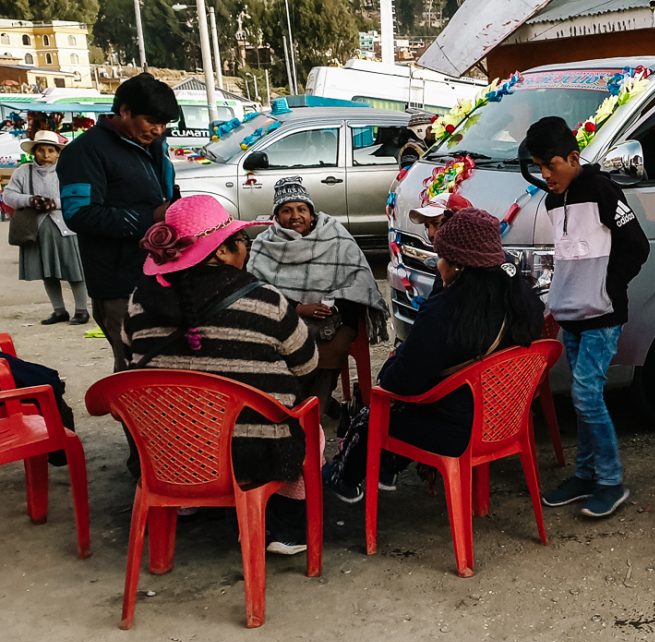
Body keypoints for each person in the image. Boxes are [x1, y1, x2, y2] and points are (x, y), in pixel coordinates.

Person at [124, 195, 319, 555]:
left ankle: (185, 500)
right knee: (311, 429)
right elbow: (307, 365)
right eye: (241, 243)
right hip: (257, 455)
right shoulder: (267, 301)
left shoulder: (138, 301)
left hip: (168, 454)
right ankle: (287, 528)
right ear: (221, 253)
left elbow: (129, 354)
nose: (245, 250)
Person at [323, 208, 545, 502]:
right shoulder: (521, 297)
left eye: (440, 257)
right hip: (505, 419)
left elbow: (395, 384)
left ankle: (345, 481)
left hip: (458, 432)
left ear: (458, 266)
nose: (437, 265)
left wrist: (396, 360)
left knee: (371, 415)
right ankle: (385, 469)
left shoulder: (447, 314)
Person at [524, 116, 649, 519]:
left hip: (603, 314)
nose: (546, 174)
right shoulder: (552, 200)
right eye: (539, 167)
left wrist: (607, 288)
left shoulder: (601, 189)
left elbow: (637, 246)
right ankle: (585, 475)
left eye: (551, 165)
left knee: (586, 395)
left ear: (573, 157)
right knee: (582, 401)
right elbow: (566, 257)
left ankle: (611, 482)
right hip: (571, 315)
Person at [57, 73, 180, 372]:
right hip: (119, 283)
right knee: (134, 365)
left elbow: (165, 195)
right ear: (124, 111)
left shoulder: (155, 146)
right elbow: (79, 215)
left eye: (164, 124)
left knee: (168, 361)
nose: (158, 129)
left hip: (160, 274)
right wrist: (150, 217)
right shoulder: (85, 152)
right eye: (152, 120)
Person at [246, 177, 388, 417]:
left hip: (338, 318)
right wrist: (299, 308)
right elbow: (257, 291)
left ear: (312, 214)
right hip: (285, 319)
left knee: (328, 352)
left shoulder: (335, 235)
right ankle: (308, 407)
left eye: (302, 209)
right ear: (276, 217)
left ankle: (312, 415)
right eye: (286, 210)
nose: (295, 216)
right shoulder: (264, 244)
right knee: (276, 350)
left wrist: (330, 307)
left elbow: (358, 280)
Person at [4, 130, 89, 325]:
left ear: (58, 153)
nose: (46, 154)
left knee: (74, 271)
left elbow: (78, 195)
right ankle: (59, 310)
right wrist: (30, 200)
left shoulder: (69, 170)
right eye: (41, 150)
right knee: (47, 272)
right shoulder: (23, 171)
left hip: (65, 227)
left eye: (51, 150)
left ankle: (81, 310)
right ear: (34, 152)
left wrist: (55, 204)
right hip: (37, 230)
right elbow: (9, 195)